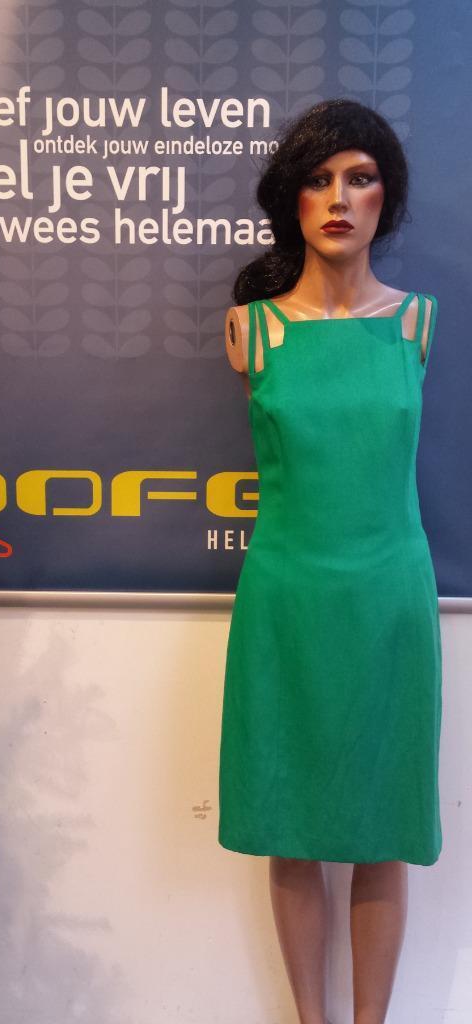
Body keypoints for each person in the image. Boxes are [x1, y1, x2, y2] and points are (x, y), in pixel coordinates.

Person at [218, 98, 442, 1024]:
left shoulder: (417, 324)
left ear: (388, 196)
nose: (339, 199)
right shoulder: (252, 330)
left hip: (390, 603)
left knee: (385, 823)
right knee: (292, 821)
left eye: (360, 178)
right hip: (286, 602)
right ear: (293, 200)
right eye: (318, 180)